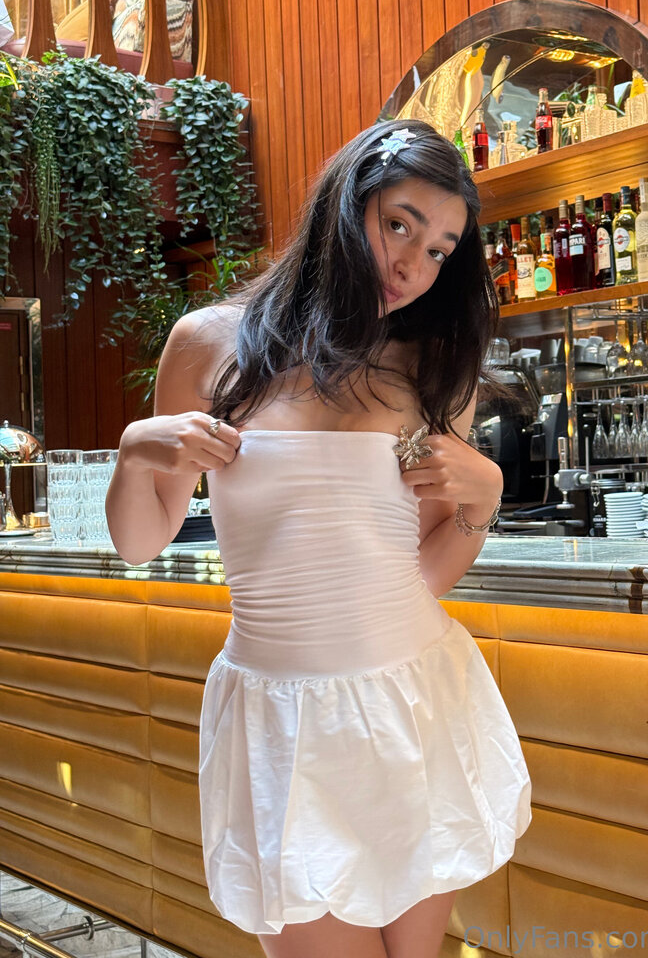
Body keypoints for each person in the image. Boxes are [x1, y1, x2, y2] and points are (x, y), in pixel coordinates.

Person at [105, 119, 532, 958]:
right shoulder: (208, 344)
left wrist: (484, 499)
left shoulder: (432, 363)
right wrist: (133, 451)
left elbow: (424, 575)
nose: (413, 266)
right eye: (399, 224)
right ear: (345, 205)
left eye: (439, 250)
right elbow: (139, 542)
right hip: (282, 724)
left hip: (413, 701)